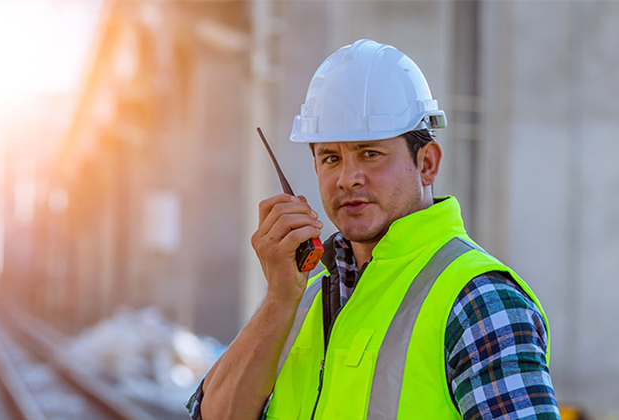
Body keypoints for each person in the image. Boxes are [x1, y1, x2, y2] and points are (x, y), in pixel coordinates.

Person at [186, 39, 558, 420]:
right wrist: (279, 299)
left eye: (370, 153)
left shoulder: (477, 299)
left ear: (427, 164)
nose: (347, 178)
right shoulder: (300, 304)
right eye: (331, 158)